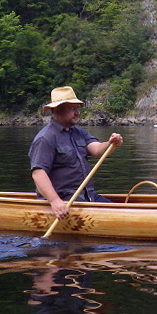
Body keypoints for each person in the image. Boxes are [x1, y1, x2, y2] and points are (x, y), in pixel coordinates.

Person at [29, 86, 123, 219]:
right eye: (72, 109)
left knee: (118, 214)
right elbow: (38, 173)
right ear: (57, 110)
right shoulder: (45, 138)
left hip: (88, 197)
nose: (77, 113)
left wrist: (111, 143)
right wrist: (55, 201)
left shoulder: (79, 132)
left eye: (77, 108)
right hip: (65, 201)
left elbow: (97, 151)